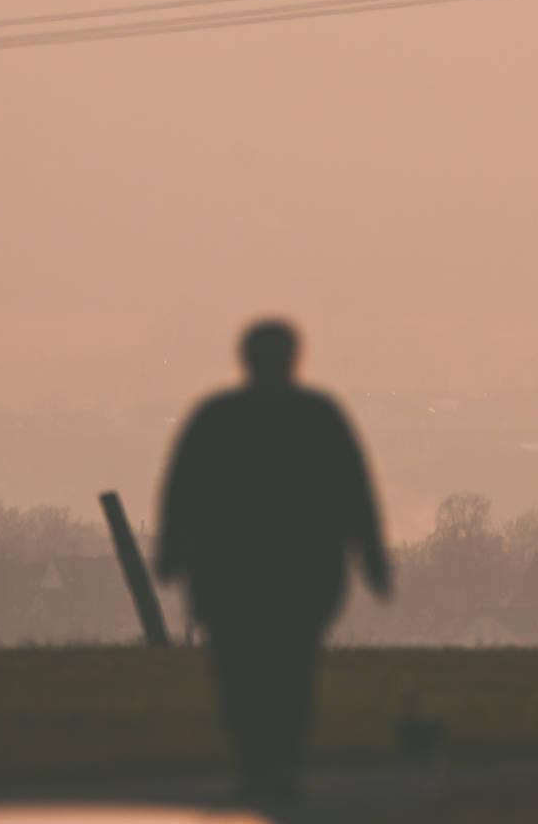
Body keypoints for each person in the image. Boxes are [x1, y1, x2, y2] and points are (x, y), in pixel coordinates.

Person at [157, 318, 391, 806]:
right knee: (291, 671)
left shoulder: (217, 417)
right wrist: (371, 559)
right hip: (303, 577)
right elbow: (354, 492)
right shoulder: (318, 416)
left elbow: (183, 490)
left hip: (229, 578)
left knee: (241, 672)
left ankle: (258, 764)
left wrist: (172, 552)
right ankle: (279, 764)